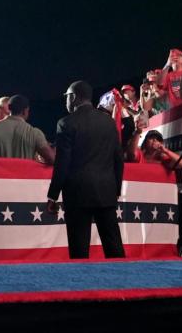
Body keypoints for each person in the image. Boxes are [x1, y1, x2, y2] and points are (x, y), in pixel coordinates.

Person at [47, 81, 125, 259]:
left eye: (66, 97)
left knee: (79, 250)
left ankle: (82, 286)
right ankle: (123, 283)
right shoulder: (109, 122)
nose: (65, 101)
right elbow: (118, 159)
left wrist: (53, 195)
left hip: (77, 194)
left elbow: (62, 163)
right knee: (114, 247)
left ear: (73, 97)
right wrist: (116, 190)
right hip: (106, 192)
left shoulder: (65, 123)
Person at [0, 95, 55, 163]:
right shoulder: (35, 133)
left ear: (9, 108)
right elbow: (52, 159)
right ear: (25, 111)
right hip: (24, 176)